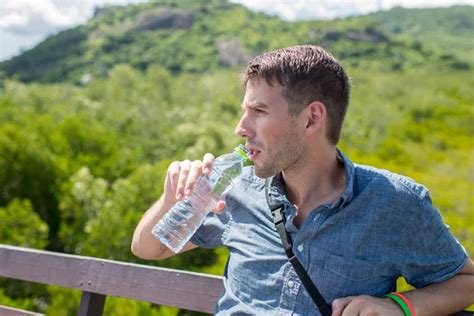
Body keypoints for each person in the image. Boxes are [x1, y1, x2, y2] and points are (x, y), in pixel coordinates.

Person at [132, 45, 474, 315]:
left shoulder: (395, 203)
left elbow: (466, 281)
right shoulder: (234, 188)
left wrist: (399, 306)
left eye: (259, 112)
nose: (241, 128)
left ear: (311, 119)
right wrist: (172, 199)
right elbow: (149, 248)